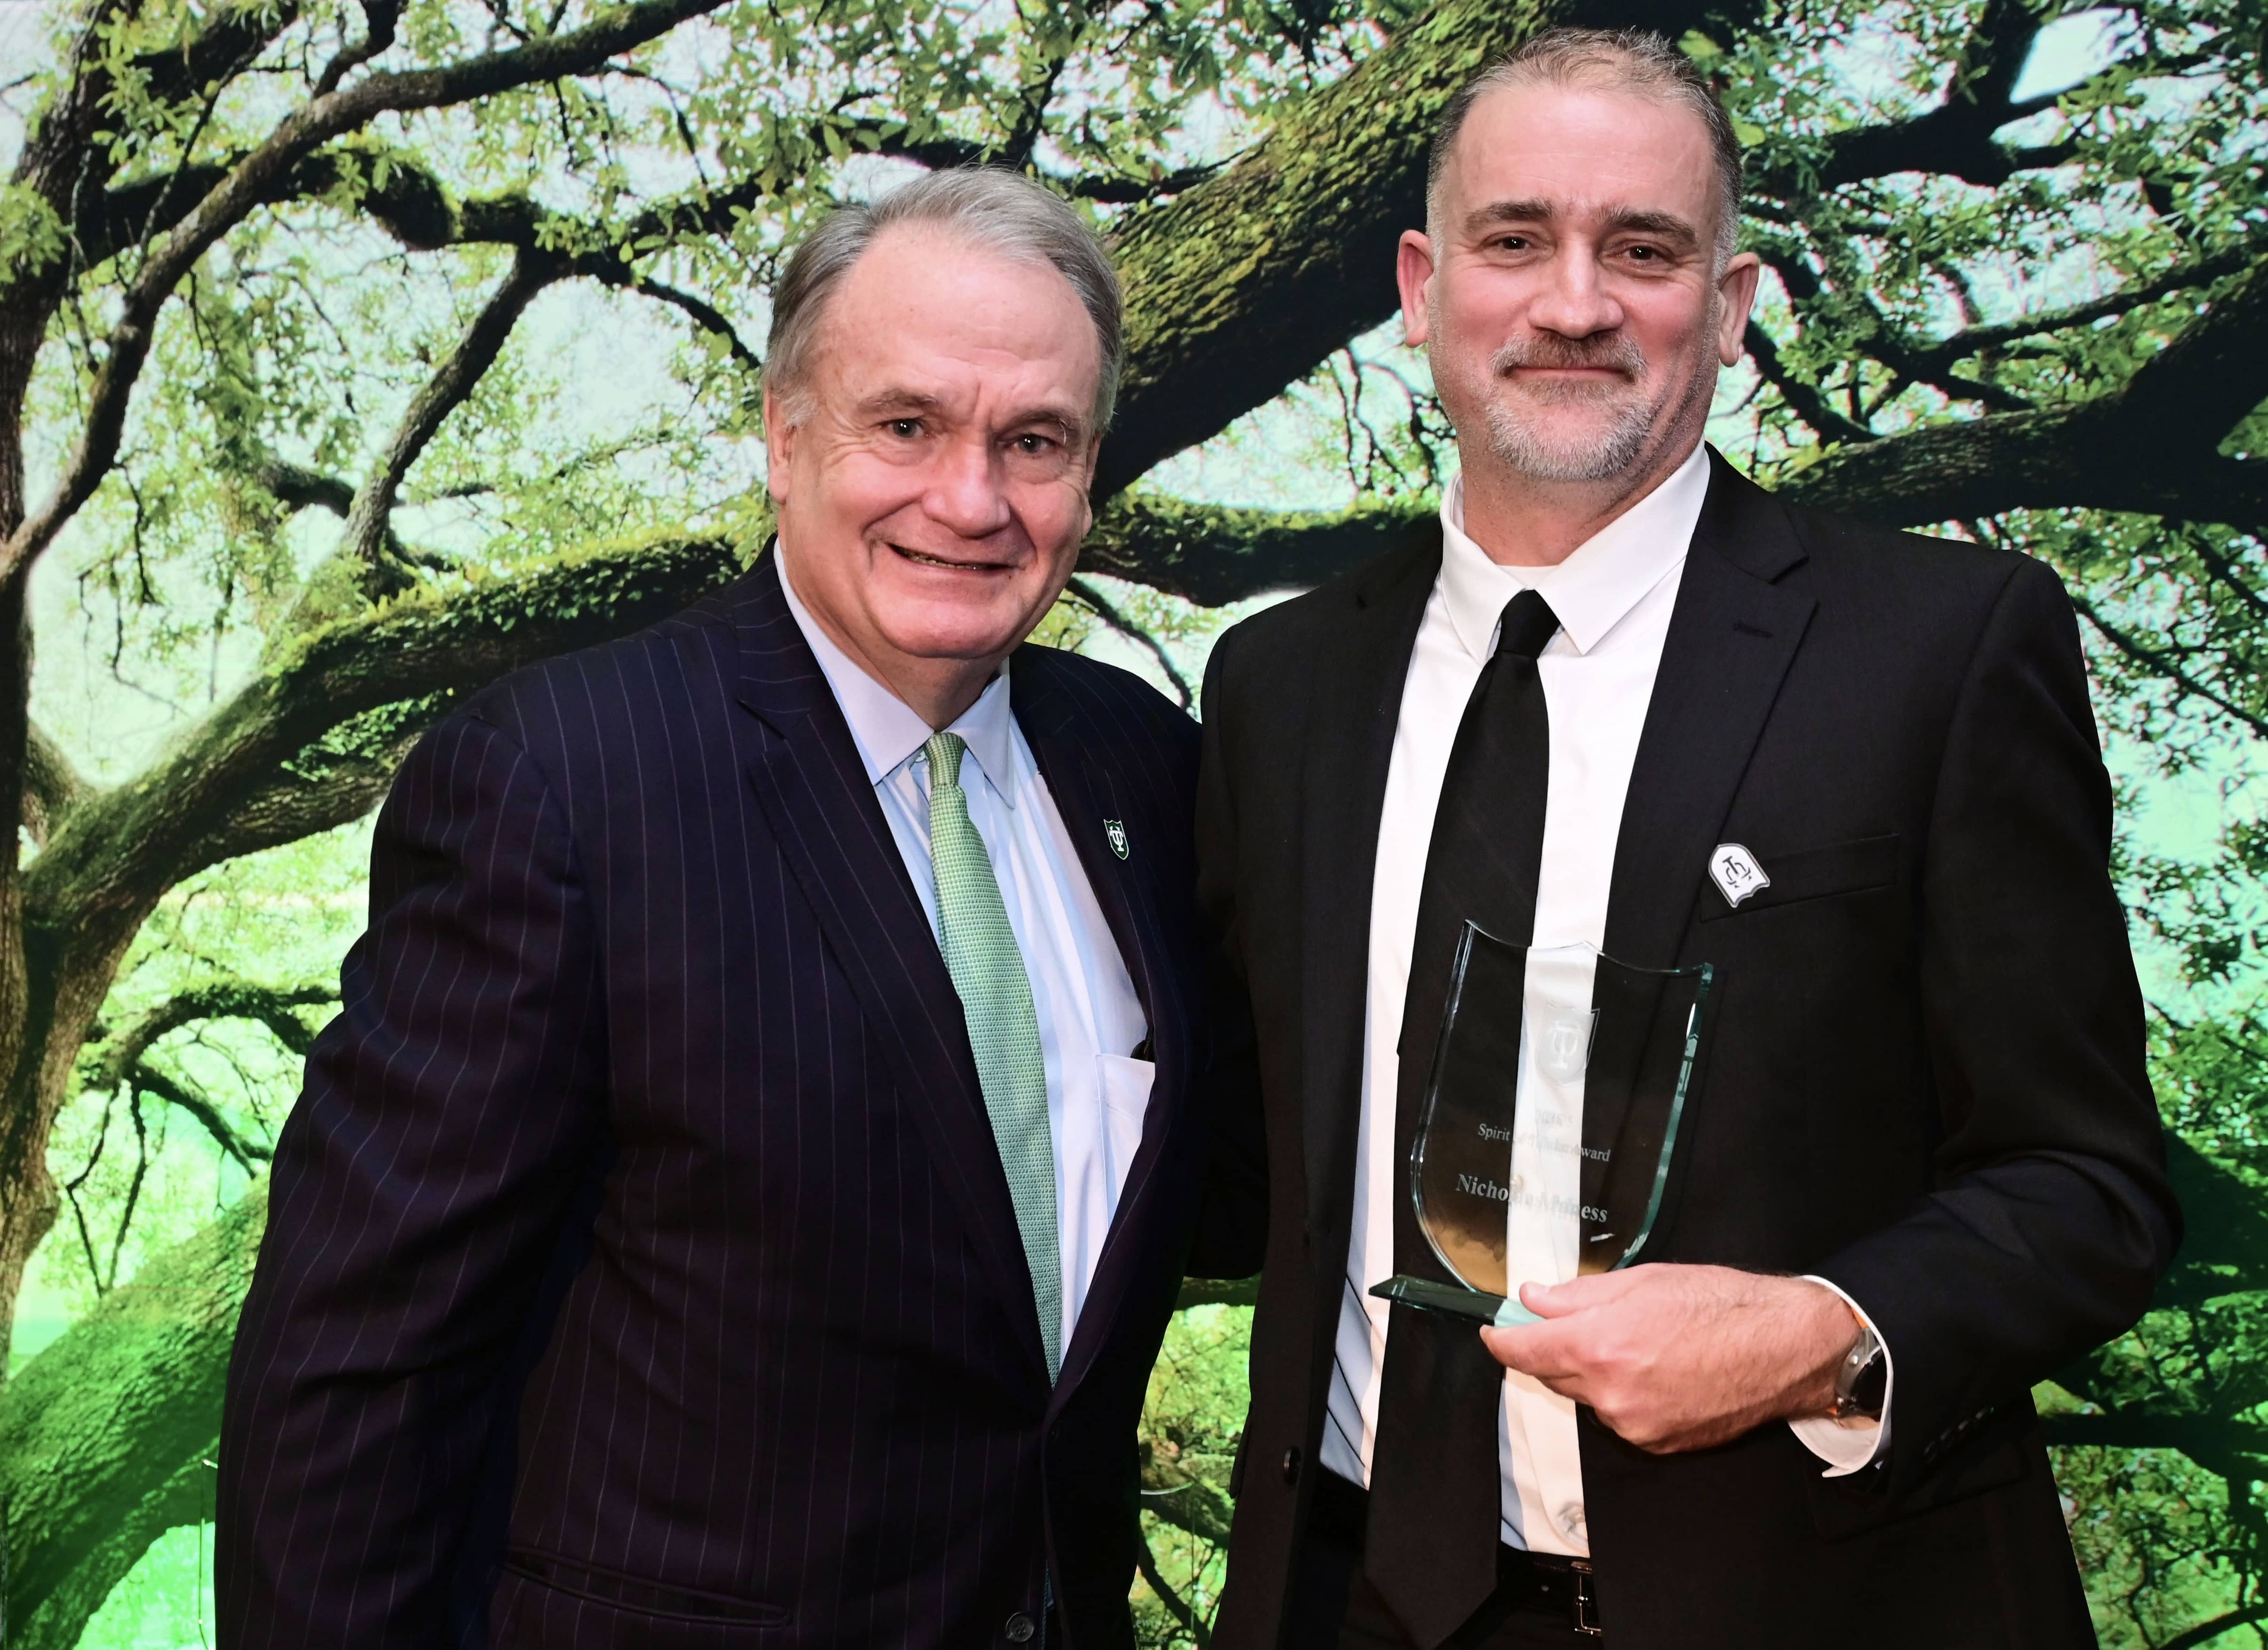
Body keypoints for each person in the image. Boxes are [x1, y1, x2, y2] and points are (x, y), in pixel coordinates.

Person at [1192, 29, 2179, 1650]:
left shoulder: (1937, 649)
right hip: (1343, 1597)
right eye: (1516, 240)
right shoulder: (1279, 686)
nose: (1573, 301)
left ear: (1725, 308)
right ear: (1423, 288)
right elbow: (1237, 1160)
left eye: (1640, 250)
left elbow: (2086, 1184)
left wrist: (1817, 1329)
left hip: (1810, 1600)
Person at [219, 168, 1223, 1650]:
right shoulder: (559, 779)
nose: (972, 497)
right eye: (907, 425)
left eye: (1035, 442)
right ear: (784, 433)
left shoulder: (1141, 759)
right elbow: (354, 1381)